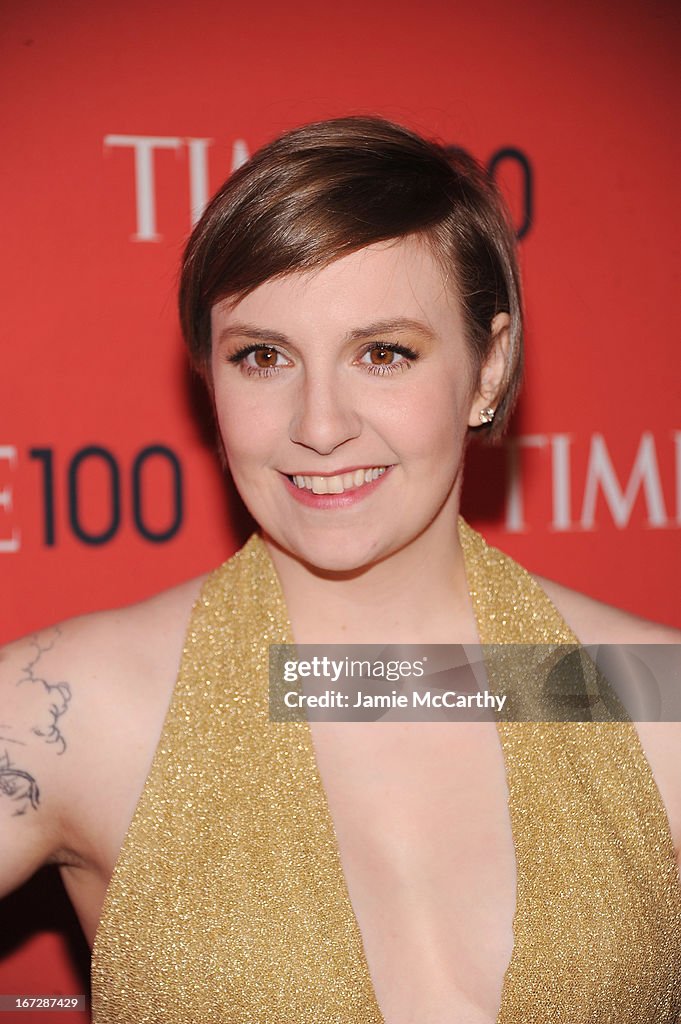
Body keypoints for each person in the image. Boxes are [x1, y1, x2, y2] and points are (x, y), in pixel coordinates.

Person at [1, 116, 680, 1024]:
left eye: (383, 353)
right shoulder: (81, 708)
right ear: (210, 376)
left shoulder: (647, 697)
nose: (319, 425)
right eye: (263, 357)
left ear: (489, 365)